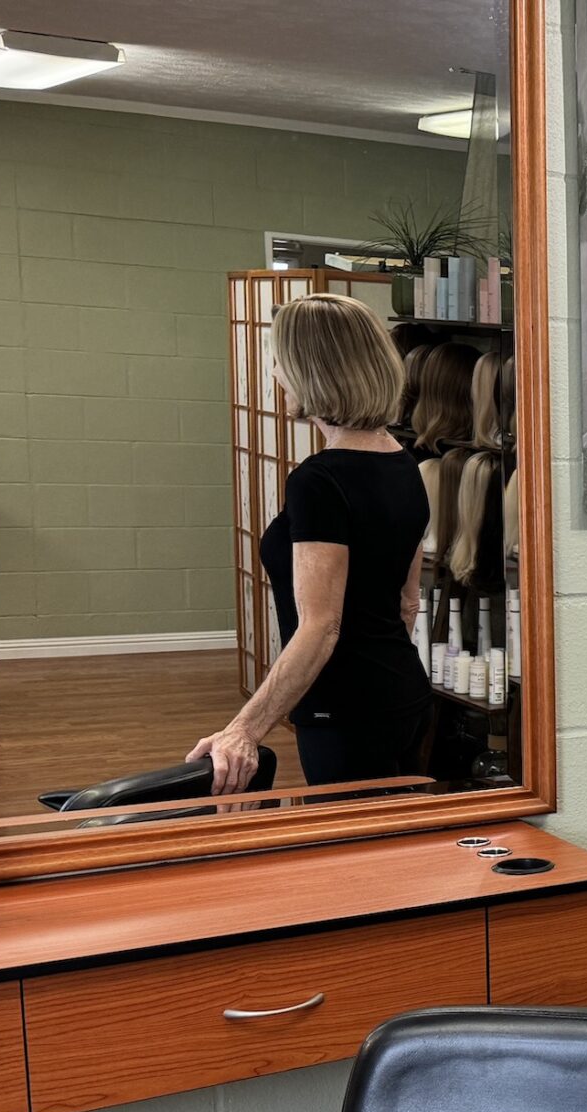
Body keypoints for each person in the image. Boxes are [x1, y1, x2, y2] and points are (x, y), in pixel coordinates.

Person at [190, 293, 431, 790]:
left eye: (280, 359)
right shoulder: (403, 464)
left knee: (355, 860)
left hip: (345, 712)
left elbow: (321, 626)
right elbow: (407, 605)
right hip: (402, 694)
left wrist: (243, 730)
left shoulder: (319, 481)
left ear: (312, 370)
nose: (275, 371)